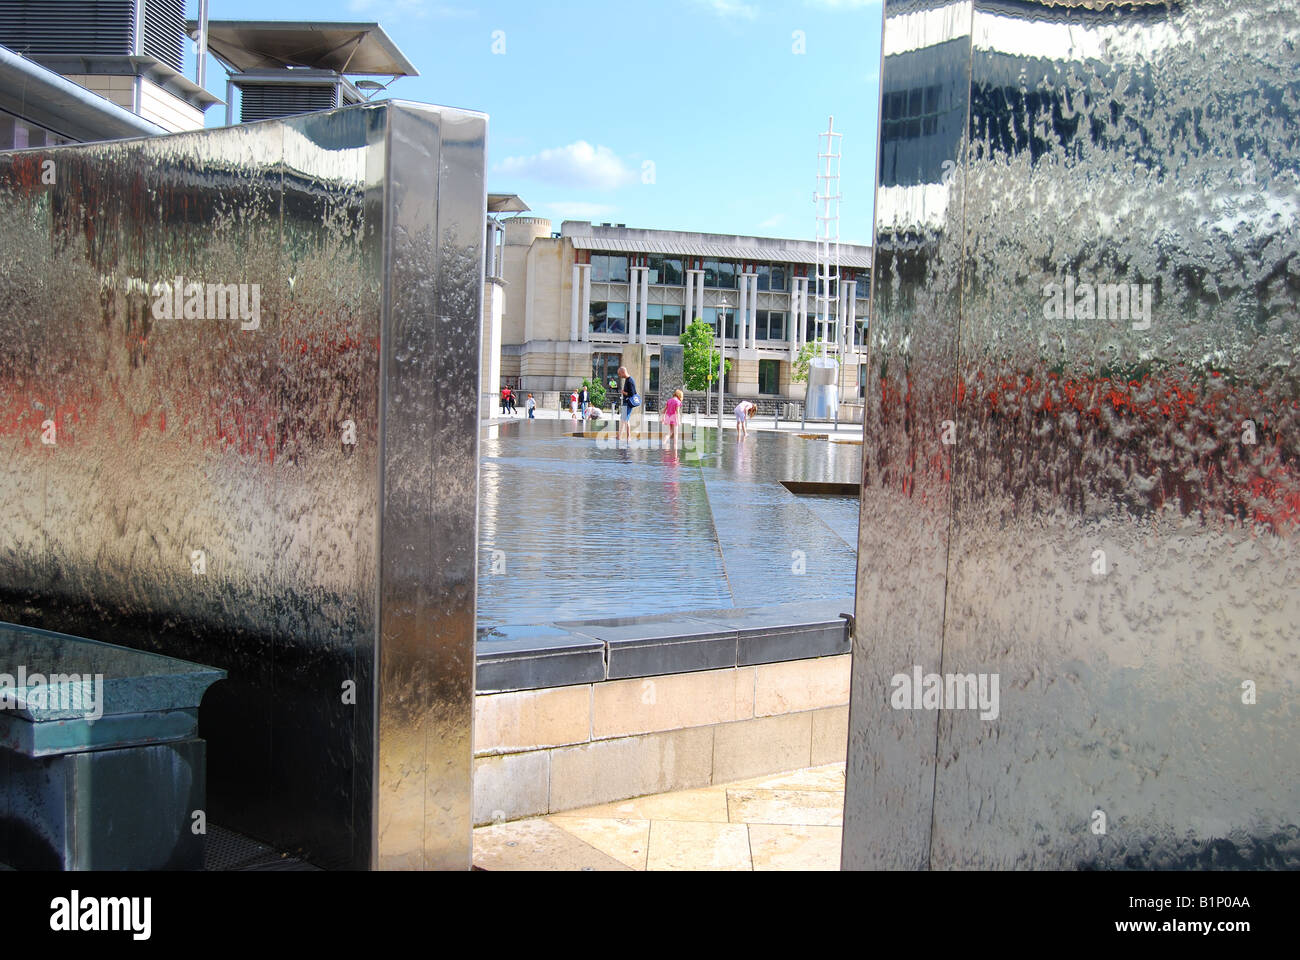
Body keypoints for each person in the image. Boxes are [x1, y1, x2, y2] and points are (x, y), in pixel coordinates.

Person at [618, 365, 638, 441]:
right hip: (626, 402)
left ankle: (621, 436)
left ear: (623, 372)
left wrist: (623, 392)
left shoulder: (630, 381)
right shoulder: (627, 379)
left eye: (620, 374)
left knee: (624, 420)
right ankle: (625, 436)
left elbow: (632, 394)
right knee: (625, 420)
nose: (619, 376)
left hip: (628, 403)